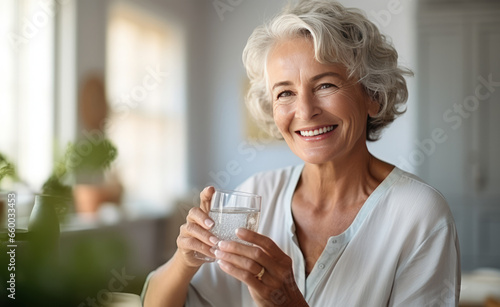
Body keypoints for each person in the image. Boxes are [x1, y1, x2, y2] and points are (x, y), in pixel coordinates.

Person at [142, 1, 461, 306]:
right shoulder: (257, 194)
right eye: (285, 93)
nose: (305, 111)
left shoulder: (420, 214)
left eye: (325, 86)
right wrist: (185, 260)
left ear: (372, 95)